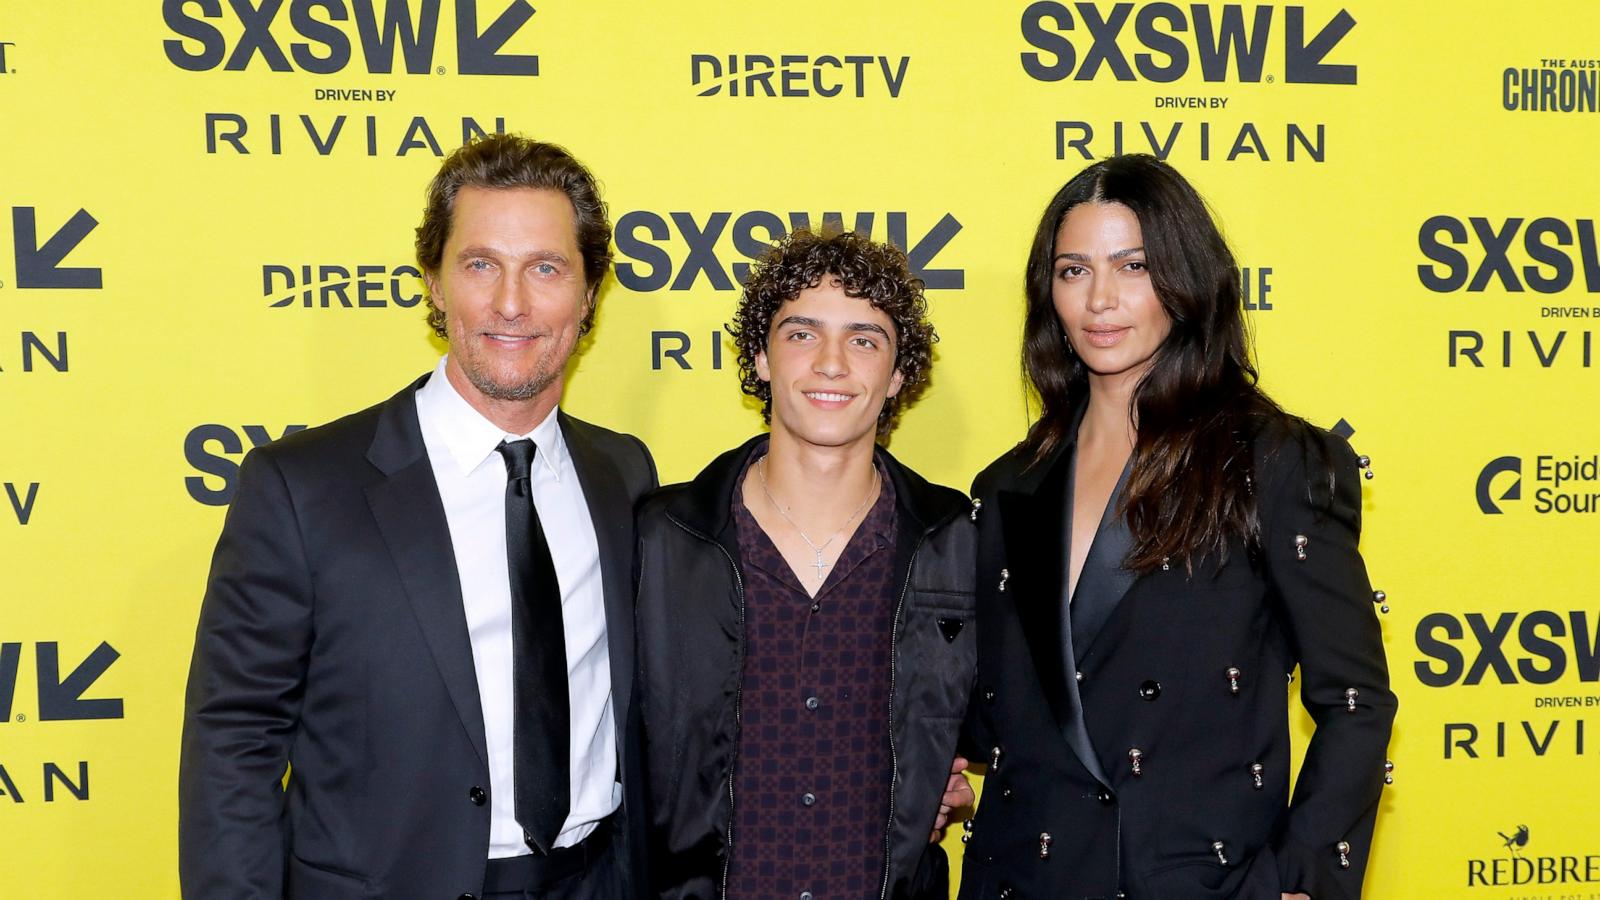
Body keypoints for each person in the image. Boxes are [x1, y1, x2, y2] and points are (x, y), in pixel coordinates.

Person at [179, 134, 655, 900]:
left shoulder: (623, 474)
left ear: (590, 293)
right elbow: (233, 741)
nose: (511, 303)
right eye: (479, 265)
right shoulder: (301, 489)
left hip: (595, 881)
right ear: (433, 283)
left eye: (545, 268)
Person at [958, 154, 1396, 900]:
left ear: (1186, 279)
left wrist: (1297, 880)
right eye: (1073, 271)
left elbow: (1355, 701)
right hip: (1020, 875)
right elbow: (1006, 707)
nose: (1100, 299)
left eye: (1133, 266)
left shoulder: (1273, 462)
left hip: (1200, 880)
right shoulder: (1008, 486)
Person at [634, 228, 977, 900]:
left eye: (864, 339)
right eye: (801, 333)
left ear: (899, 372)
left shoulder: (956, 540)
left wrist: (937, 776)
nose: (831, 363)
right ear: (761, 358)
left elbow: (1003, 721)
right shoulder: (662, 539)